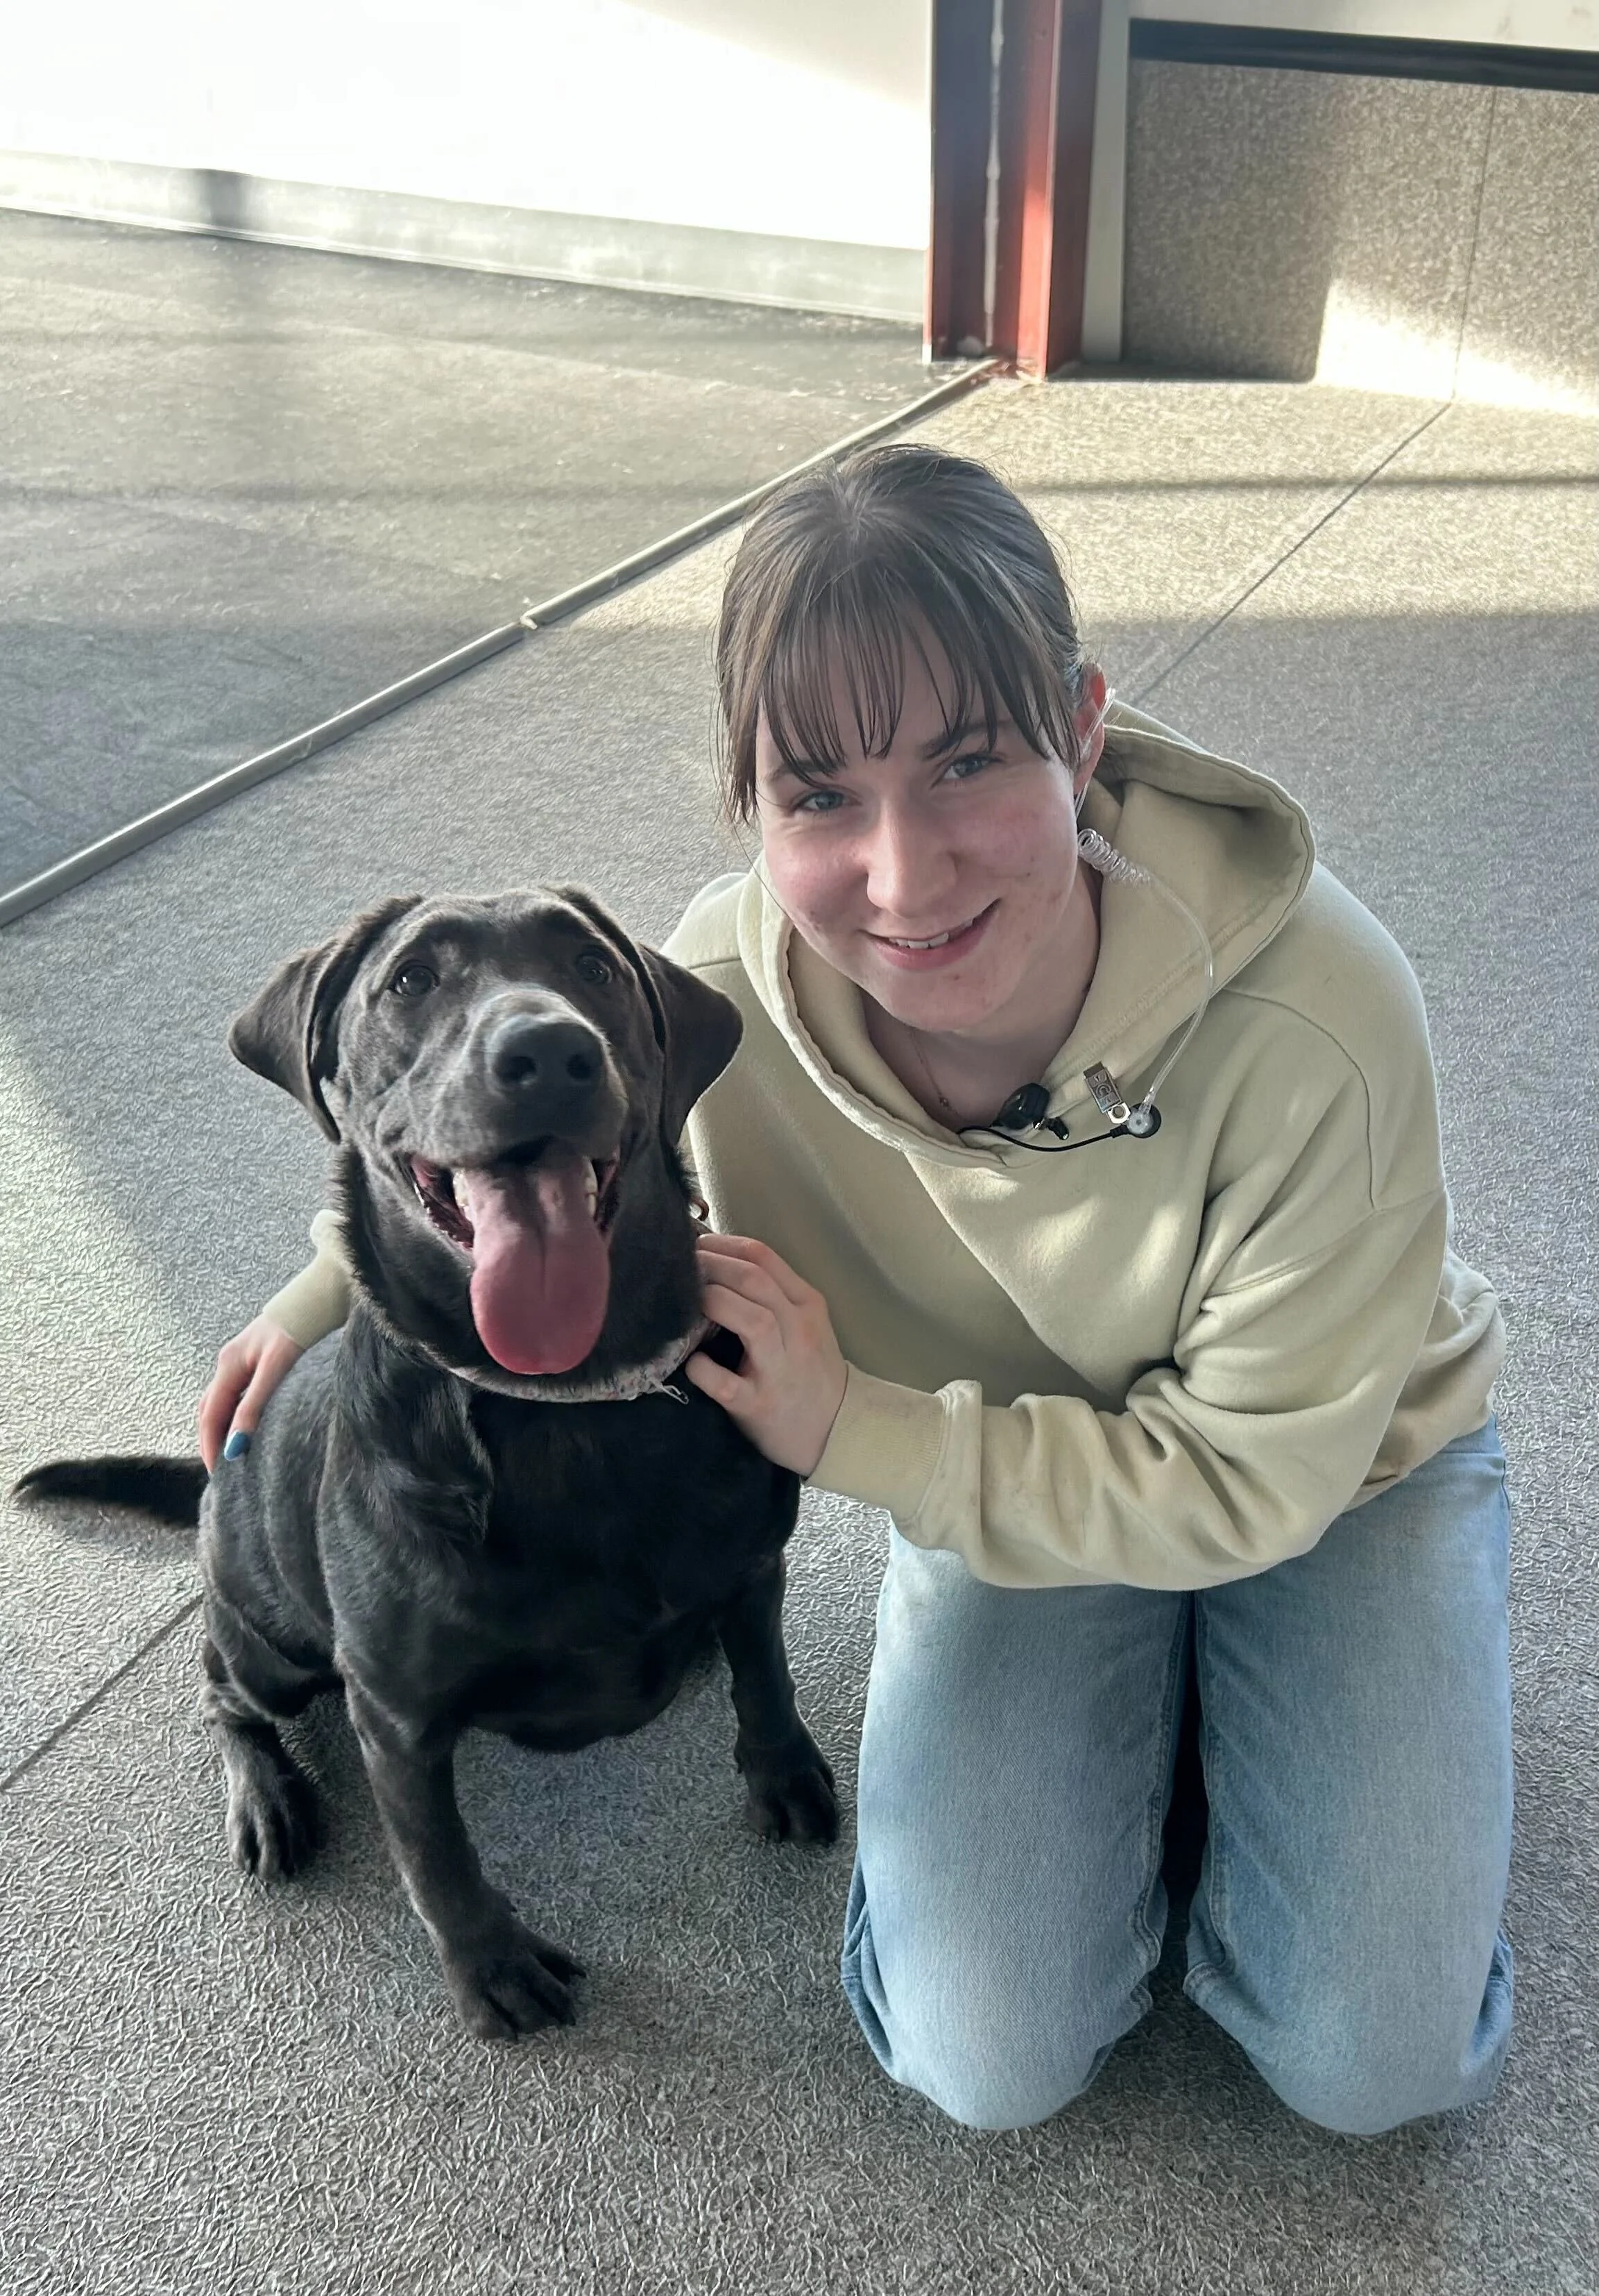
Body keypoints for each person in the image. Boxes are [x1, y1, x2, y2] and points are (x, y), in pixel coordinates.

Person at [200, 444, 1512, 2136]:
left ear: (1085, 726)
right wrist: (317, 1297)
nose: (904, 876)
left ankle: (1282, 1698)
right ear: (749, 809)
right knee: (985, 2055)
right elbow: (506, 1140)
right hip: (999, 1451)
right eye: (819, 795)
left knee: (1374, 2066)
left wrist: (855, 1430)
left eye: (969, 760)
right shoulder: (716, 990)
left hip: (1334, 1464)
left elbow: (1256, 1474)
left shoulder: (1323, 1013)